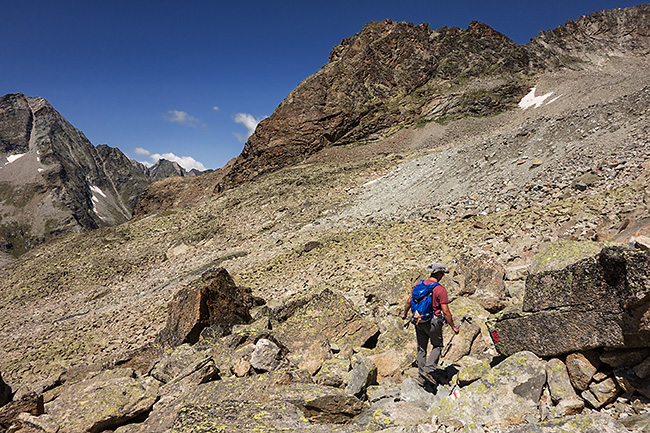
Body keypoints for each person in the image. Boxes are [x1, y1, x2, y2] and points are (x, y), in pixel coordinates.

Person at [400, 262, 459, 386]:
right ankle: (428, 370)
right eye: (442, 273)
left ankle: (421, 379)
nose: (443, 276)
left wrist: (404, 314)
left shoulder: (419, 285)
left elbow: (409, 301)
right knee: (437, 346)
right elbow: (446, 311)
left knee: (421, 348)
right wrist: (453, 326)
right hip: (432, 322)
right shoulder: (439, 289)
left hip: (418, 320)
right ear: (438, 273)